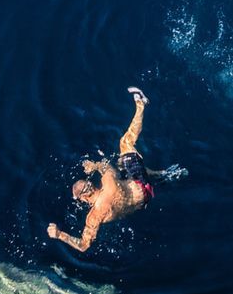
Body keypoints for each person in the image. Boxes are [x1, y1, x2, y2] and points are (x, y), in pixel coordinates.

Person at [47, 86, 178, 252]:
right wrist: (94, 166)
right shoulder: (108, 183)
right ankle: (141, 103)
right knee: (125, 144)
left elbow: (83, 246)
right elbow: (105, 165)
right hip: (139, 184)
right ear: (89, 189)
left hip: (143, 201)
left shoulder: (94, 216)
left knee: (124, 168)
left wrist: (59, 235)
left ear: (83, 197)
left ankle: (162, 176)